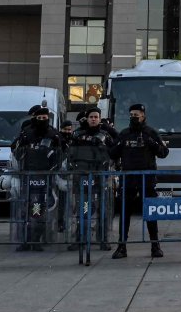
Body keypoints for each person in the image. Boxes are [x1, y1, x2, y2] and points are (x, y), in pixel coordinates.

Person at [110, 103, 169, 259]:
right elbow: (112, 153)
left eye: (137, 114)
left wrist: (152, 143)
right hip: (129, 179)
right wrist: (119, 145)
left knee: (150, 212)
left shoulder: (151, 133)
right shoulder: (124, 134)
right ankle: (121, 247)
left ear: (143, 115)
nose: (134, 117)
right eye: (131, 115)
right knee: (125, 213)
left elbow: (164, 153)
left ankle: (155, 246)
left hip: (147, 179)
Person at [11, 106, 63, 251]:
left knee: (38, 210)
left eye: (44, 118)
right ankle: (25, 240)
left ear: (48, 118)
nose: (41, 121)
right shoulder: (27, 134)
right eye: (39, 118)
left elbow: (61, 154)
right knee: (25, 210)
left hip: (44, 178)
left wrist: (53, 167)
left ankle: (36, 239)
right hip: (28, 176)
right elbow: (16, 149)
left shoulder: (54, 135)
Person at [65, 109, 117, 250]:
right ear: (86, 119)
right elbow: (70, 154)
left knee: (102, 210)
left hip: (100, 176)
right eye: (91, 117)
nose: (93, 119)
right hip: (81, 176)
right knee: (83, 208)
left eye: (96, 117)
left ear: (99, 119)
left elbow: (114, 154)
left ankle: (103, 239)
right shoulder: (77, 135)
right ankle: (80, 238)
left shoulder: (105, 136)